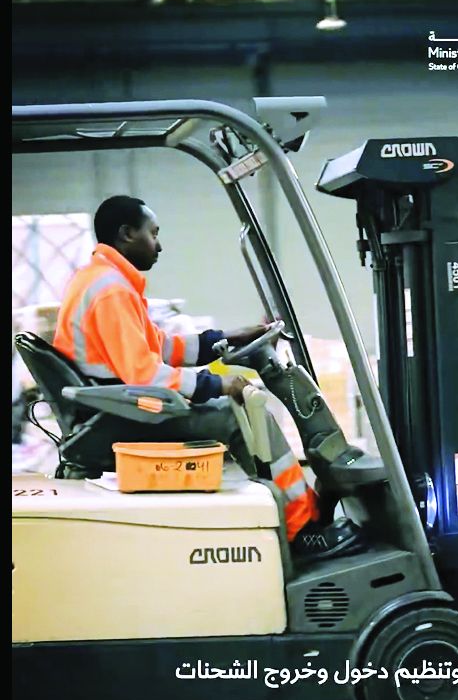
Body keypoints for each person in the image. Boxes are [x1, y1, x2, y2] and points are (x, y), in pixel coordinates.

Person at [53, 195, 362, 560]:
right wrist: (219, 384)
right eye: (153, 233)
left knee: (239, 411)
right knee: (242, 417)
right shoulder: (111, 291)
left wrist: (227, 338)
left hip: (117, 410)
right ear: (127, 234)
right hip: (121, 417)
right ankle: (301, 533)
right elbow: (144, 373)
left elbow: (161, 347)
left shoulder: (101, 280)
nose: (159, 245)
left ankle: (301, 515)